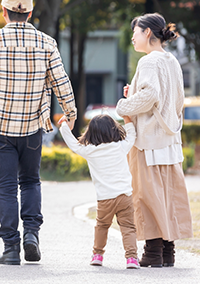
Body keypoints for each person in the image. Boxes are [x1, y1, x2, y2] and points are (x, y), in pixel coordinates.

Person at [0, 0, 77, 265]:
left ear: (3, 12)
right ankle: (32, 236)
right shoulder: (47, 42)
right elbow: (61, 81)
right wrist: (69, 112)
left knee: (6, 187)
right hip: (33, 125)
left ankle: (11, 248)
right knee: (31, 181)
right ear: (30, 13)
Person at [116, 13, 193, 268]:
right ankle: (167, 251)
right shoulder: (171, 60)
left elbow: (150, 96)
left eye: (135, 32)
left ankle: (152, 251)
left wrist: (123, 105)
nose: (133, 37)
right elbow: (177, 99)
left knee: (147, 195)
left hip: (148, 139)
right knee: (167, 194)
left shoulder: (149, 62)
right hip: (170, 140)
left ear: (148, 33)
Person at [59, 114, 140, 269]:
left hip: (105, 199)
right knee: (128, 227)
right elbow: (132, 136)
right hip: (125, 196)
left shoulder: (90, 151)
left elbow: (73, 144)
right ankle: (132, 258)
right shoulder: (120, 146)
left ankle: (97, 255)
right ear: (113, 130)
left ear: (91, 132)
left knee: (102, 226)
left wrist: (64, 125)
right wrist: (128, 120)